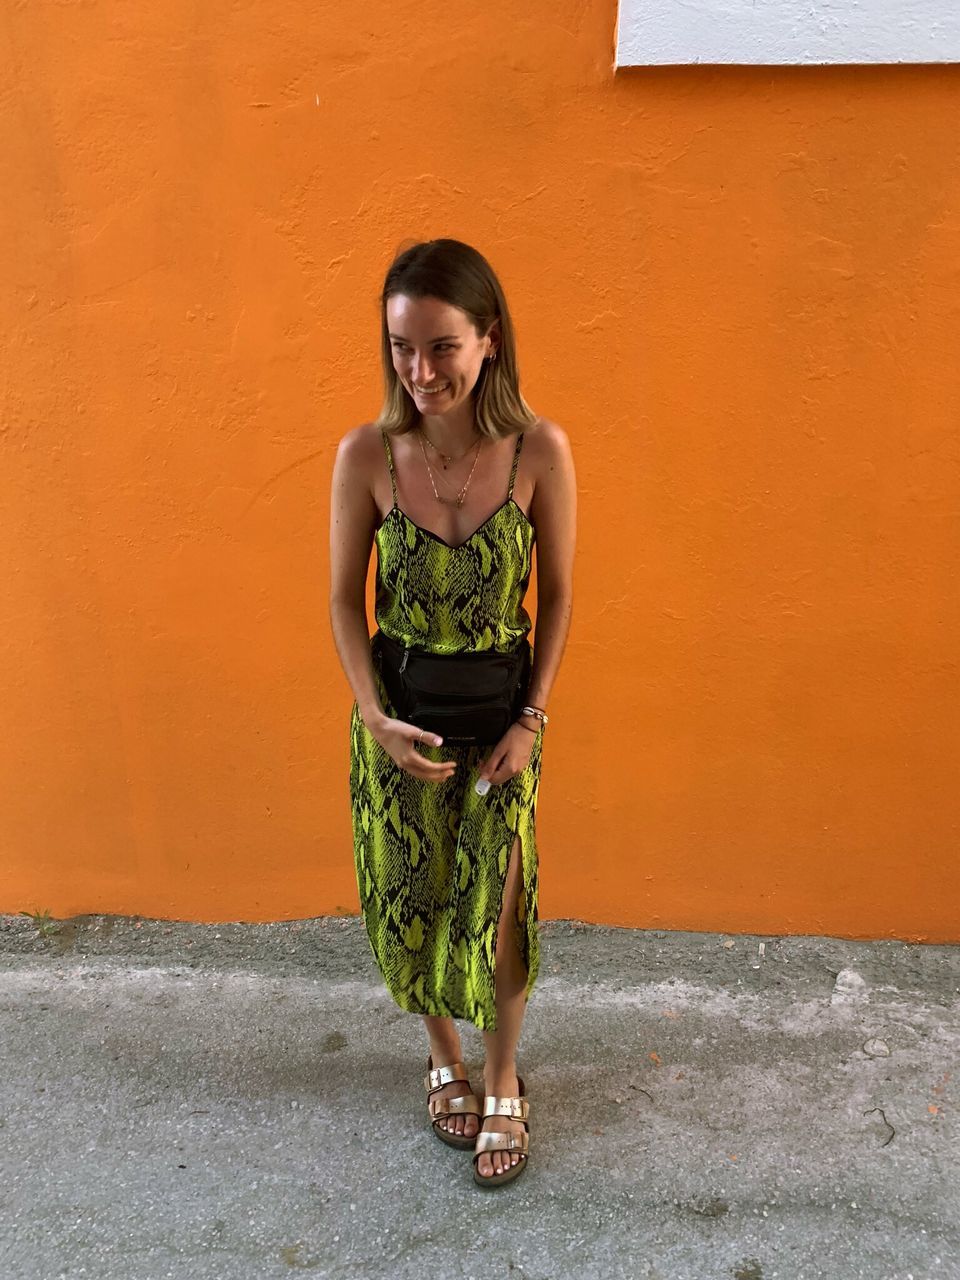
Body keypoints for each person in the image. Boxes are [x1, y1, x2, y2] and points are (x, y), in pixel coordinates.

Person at [328, 238, 576, 1187]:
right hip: (399, 724)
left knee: (500, 906)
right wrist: (372, 719)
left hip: (505, 725)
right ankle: (444, 1056)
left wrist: (534, 719)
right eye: (400, 347)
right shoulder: (367, 457)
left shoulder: (540, 451)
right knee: (413, 902)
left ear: (489, 341)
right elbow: (346, 605)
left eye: (441, 347)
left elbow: (554, 600)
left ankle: (503, 1076)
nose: (419, 371)